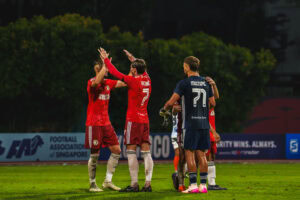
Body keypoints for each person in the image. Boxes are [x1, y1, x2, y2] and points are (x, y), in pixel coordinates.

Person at [99, 48, 154, 192]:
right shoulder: (147, 79)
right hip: (145, 120)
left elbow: (115, 73)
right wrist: (132, 59)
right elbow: (142, 68)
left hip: (133, 120)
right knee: (146, 152)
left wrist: (105, 59)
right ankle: (147, 184)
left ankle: (134, 184)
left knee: (130, 151)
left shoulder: (132, 81)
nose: (130, 70)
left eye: (131, 68)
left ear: (135, 70)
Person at [162, 56, 215, 193]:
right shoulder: (206, 82)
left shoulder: (184, 83)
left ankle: (192, 185)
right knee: (202, 155)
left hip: (190, 124)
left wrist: (164, 109)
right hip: (204, 123)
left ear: (186, 67)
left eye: (183, 65)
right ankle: (203, 186)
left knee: (189, 154)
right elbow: (213, 103)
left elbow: (172, 101)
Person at [85, 59, 126, 192]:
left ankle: (108, 181)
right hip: (94, 123)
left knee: (117, 150)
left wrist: (135, 73)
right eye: (103, 68)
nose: (106, 70)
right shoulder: (92, 82)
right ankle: (92, 184)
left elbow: (124, 82)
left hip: (106, 123)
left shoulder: (108, 83)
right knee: (94, 155)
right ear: (97, 70)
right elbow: (97, 81)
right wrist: (105, 63)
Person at [205, 77, 227, 190]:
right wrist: (213, 132)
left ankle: (212, 183)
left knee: (211, 156)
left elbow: (217, 97)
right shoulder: (205, 104)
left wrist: (214, 84)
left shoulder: (211, 103)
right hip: (206, 132)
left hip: (210, 133)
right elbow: (204, 119)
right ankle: (183, 179)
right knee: (204, 157)